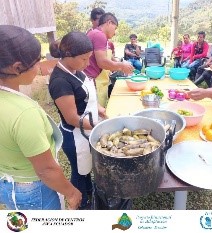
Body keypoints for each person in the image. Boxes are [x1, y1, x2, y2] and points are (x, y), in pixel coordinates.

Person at [0, 25, 81, 210]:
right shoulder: (24, 114)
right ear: (17, 67)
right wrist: (71, 192)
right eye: (37, 61)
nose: (41, 66)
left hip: (6, 182)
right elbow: (46, 170)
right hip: (32, 191)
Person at [48, 31, 107, 210]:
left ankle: (90, 194)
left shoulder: (75, 70)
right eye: (83, 59)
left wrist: (101, 111)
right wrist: (100, 126)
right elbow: (73, 118)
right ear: (67, 55)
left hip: (87, 130)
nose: (87, 63)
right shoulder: (60, 81)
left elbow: (85, 96)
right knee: (79, 172)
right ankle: (81, 207)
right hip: (75, 137)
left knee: (87, 168)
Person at [84, 13, 134, 107]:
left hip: (90, 78)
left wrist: (119, 63)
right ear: (109, 23)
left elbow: (105, 58)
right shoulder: (99, 35)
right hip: (88, 79)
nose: (115, 32)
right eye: (115, 28)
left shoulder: (95, 33)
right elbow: (102, 62)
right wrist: (122, 66)